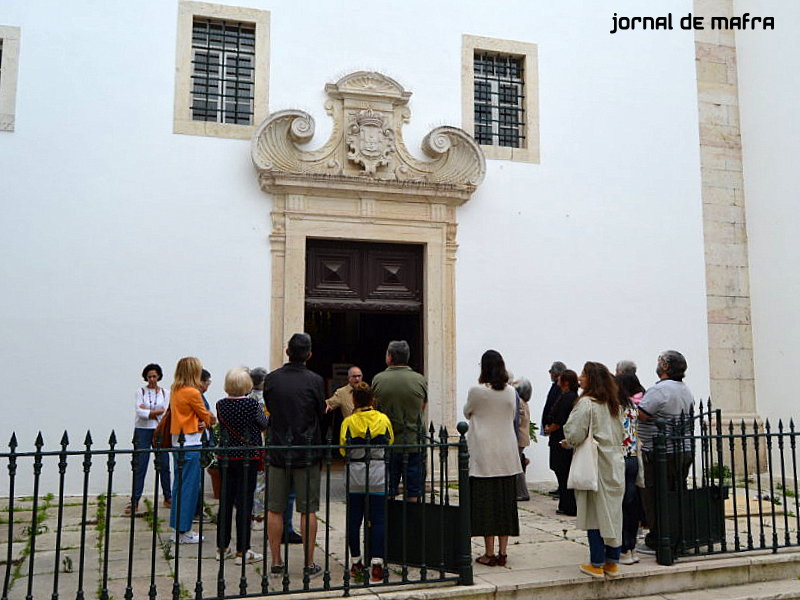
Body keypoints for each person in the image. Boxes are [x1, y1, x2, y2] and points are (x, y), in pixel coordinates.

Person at [264, 333, 326, 579]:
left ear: (287, 351)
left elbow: (270, 407)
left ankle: (277, 562)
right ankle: (309, 563)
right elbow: (319, 411)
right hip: (306, 450)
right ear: (309, 355)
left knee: (275, 508)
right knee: (308, 509)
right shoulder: (315, 380)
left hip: (279, 448)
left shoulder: (271, 380)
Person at [562, 362, 624, 578]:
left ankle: (596, 562)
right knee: (613, 513)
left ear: (592, 379)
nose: (579, 378)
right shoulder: (614, 404)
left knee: (595, 514)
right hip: (615, 463)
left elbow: (575, 433)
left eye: (583, 374)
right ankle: (612, 561)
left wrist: (567, 440)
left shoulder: (587, 403)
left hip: (595, 462)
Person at [464, 350, 522, 567]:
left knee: (486, 505)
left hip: (484, 454)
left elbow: (467, 412)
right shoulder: (510, 392)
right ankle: (503, 552)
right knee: (505, 505)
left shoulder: (477, 391)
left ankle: (489, 553)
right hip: (506, 454)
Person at [637, 350, 694, 552]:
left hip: (660, 452)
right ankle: (678, 535)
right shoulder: (684, 389)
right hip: (683, 448)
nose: (657, 363)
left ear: (666, 367)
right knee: (675, 493)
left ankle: (658, 538)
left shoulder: (659, 390)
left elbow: (642, 415)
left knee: (654, 495)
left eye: (659, 360)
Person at [340, 382, 394, 585]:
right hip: (378, 474)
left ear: (354, 400)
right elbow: (390, 442)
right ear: (373, 400)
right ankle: (378, 564)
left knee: (354, 520)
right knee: (378, 520)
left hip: (355, 475)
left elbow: (343, 449)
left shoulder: (349, 422)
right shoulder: (383, 419)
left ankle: (356, 562)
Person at [215, 368, 269, 564]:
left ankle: (222, 547)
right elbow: (264, 424)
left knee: (226, 502)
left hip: (227, 458)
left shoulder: (220, 405)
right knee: (245, 503)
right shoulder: (252, 405)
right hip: (248, 458)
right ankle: (242, 550)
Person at [372, 340, 427, 502]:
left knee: (388, 487)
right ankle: (411, 523)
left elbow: (374, 408)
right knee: (413, 490)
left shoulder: (378, 379)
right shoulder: (419, 380)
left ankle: (389, 523)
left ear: (390, 357)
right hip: (413, 441)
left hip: (388, 442)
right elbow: (422, 406)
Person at [168, 357, 215, 544]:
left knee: (179, 487)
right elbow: (209, 417)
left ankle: (178, 527)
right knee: (189, 488)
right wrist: (204, 421)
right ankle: (184, 530)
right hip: (191, 442)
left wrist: (199, 420)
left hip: (177, 442)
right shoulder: (192, 393)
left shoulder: (175, 390)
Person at [128, 363, 172, 515]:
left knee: (164, 464)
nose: (152, 379)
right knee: (140, 465)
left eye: (154, 376)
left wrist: (149, 412)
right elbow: (139, 411)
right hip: (143, 430)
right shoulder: (140, 391)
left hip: (159, 430)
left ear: (159, 376)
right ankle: (135, 500)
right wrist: (154, 412)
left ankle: (168, 496)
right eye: (149, 376)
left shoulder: (166, 393)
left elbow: (166, 411)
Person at [617, 371, 645, 564]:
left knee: (621, 505)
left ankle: (624, 547)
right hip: (633, 457)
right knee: (631, 503)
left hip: (620, 458)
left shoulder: (617, 407)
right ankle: (632, 547)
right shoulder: (633, 407)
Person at [545, 369, 579, 516]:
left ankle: (568, 505)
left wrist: (549, 429)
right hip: (560, 439)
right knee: (563, 473)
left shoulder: (567, 398)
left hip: (560, 439)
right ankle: (566, 504)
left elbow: (560, 420)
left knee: (563, 472)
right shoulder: (569, 396)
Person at [541, 361, 567, 495]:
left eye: (551, 371)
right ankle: (561, 487)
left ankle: (563, 488)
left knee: (559, 462)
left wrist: (551, 425)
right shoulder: (556, 387)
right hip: (553, 429)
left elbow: (557, 410)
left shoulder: (560, 390)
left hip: (557, 431)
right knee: (555, 462)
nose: (550, 374)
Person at [513, 377, 532, 502]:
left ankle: (522, 492)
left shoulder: (519, 402)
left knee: (517, 466)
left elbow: (517, 421)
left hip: (519, 438)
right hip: (522, 438)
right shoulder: (524, 402)